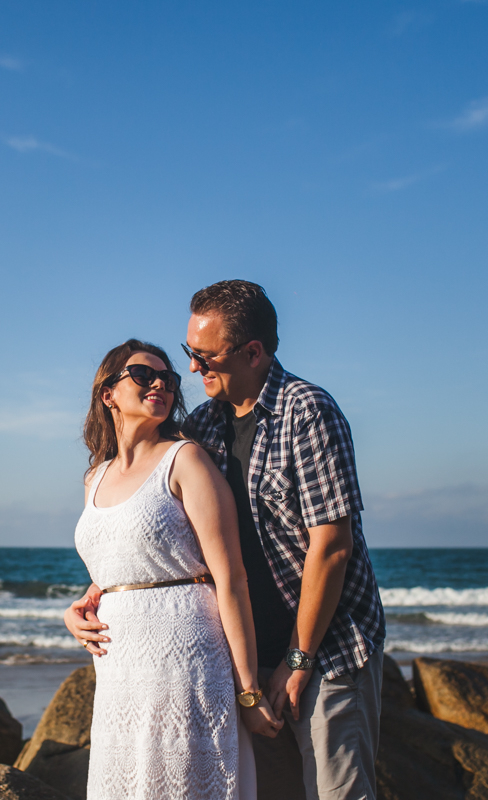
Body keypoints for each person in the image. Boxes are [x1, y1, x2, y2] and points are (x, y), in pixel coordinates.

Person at [75, 281, 386, 799]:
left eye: (203, 356)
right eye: (187, 355)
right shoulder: (203, 425)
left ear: (253, 352)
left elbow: (331, 547)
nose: (192, 370)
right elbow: (159, 535)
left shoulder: (306, 412)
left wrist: (298, 659)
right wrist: (93, 596)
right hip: (243, 653)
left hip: (326, 648)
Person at [67, 339, 282, 800]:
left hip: (184, 661)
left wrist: (248, 692)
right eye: (144, 375)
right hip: (119, 670)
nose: (161, 382)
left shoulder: (185, 460)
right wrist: (80, 607)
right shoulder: (95, 477)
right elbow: (122, 561)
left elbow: (231, 578)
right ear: (108, 393)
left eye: (167, 378)